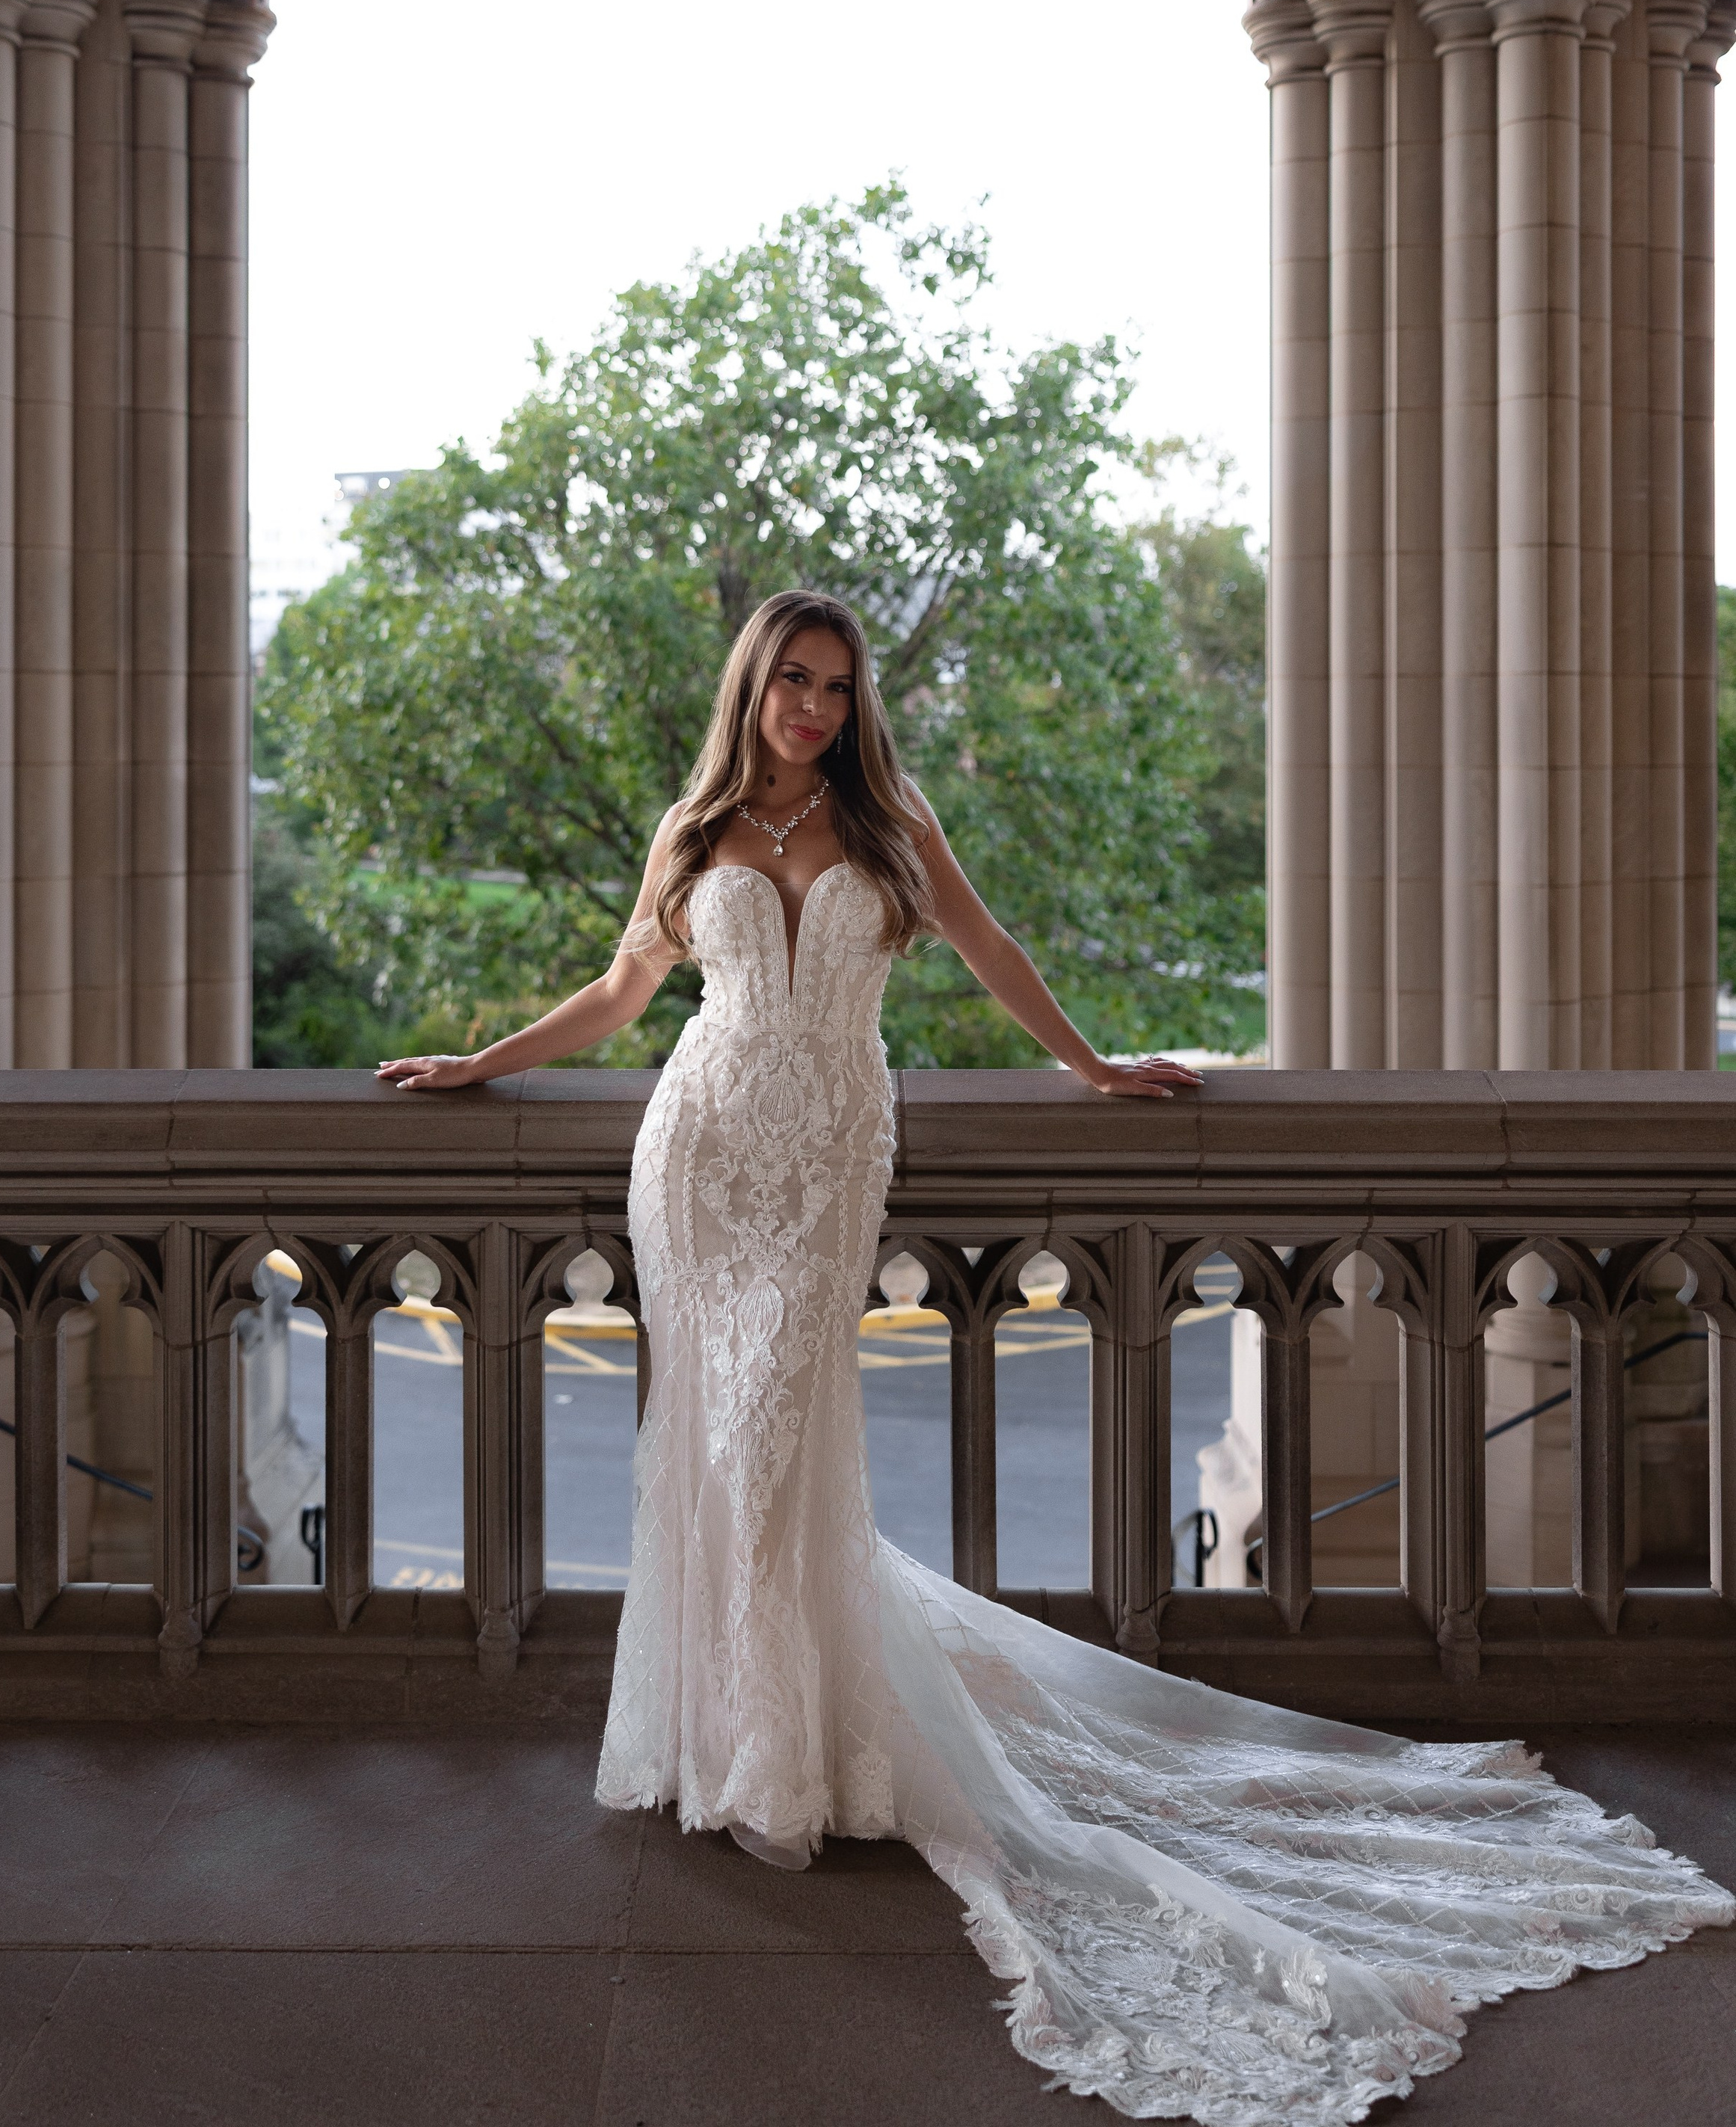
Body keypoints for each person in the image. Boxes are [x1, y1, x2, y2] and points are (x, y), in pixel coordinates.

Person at [380, 589, 1732, 2121]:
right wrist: (476, 1060)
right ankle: (752, 1746)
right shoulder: (689, 830)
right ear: (749, 686)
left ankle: (791, 1750)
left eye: (834, 686)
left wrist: (1086, 1060)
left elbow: (988, 942)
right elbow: (626, 995)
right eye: (791, 683)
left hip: (827, 1158)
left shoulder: (888, 826)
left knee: (771, 1439)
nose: (813, 708)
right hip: (695, 1158)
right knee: (712, 1444)